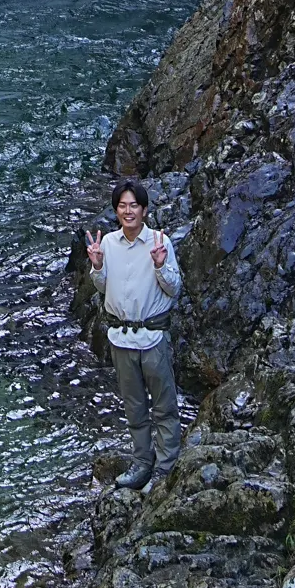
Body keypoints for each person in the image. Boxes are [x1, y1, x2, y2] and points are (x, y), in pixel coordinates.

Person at [85, 176, 182, 488]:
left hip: (153, 337)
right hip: (120, 338)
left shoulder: (159, 242)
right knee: (134, 406)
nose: (128, 211)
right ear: (116, 211)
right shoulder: (109, 243)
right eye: (122, 206)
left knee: (164, 405)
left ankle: (165, 467)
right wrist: (97, 265)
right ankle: (142, 462)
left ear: (144, 209)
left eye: (134, 206)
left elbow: (174, 289)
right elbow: (101, 287)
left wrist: (159, 265)